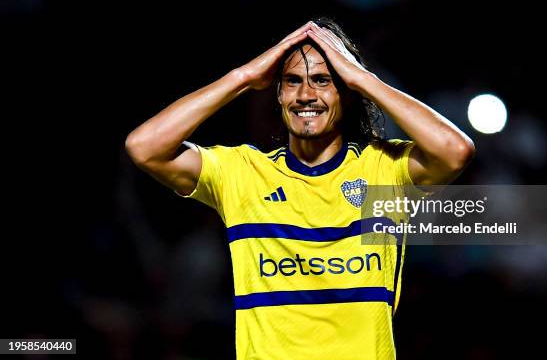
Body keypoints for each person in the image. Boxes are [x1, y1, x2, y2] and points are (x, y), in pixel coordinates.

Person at [125, 18, 475, 359]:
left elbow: (454, 150)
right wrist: (243, 76)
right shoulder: (243, 173)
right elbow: (145, 147)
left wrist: (362, 78)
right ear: (277, 95)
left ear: (347, 93)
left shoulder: (382, 170)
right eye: (292, 82)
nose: (306, 95)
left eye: (322, 80)